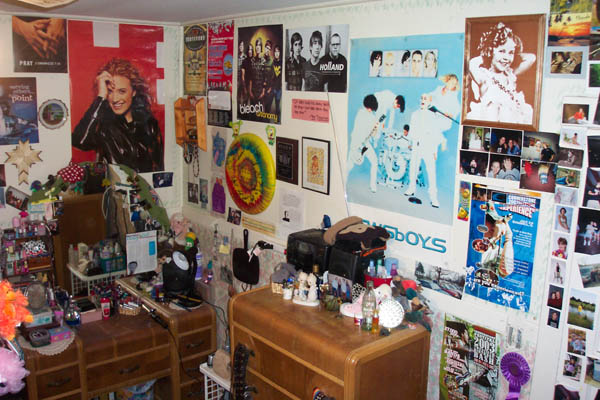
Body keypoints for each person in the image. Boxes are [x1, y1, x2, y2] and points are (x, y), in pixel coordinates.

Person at [72, 58, 163, 172]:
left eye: (122, 91)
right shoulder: (102, 125)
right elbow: (79, 142)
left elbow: (159, 167)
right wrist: (101, 96)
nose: (115, 99)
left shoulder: (149, 124)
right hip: (112, 183)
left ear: (134, 92)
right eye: (110, 91)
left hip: (144, 184)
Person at [467, 22, 535, 124]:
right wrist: (487, 51)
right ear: (491, 51)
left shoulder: (510, 74)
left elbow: (531, 58)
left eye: (510, 53)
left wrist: (515, 53)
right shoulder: (484, 78)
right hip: (492, 121)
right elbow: (472, 63)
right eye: (502, 51)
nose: (506, 57)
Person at [404, 93, 447, 207]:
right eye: (421, 98)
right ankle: (411, 188)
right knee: (413, 168)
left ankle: (433, 197)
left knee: (431, 172)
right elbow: (411, 131)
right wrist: (411, 143)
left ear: (429, 101)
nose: (423, 100)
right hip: (416, 146)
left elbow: (435, 134)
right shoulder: (415, 114)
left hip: (428, 147)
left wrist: (435, 151)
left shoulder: (433, 116)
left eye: (425, 98)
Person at [348, 95, 379, 192]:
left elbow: (372, 134)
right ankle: (341, 180)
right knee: (350, 164)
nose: (370, 109)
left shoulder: (363, 113)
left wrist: (375, 128)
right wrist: (375, 129)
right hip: (358, 143)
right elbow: (369, 133)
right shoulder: (364, 114)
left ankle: (373, 185)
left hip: (363, 143)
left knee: (374, 161)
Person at [248, 38, 266, 108]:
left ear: (261, 48)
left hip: (260, 92)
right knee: (252, 111)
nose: (258, 47)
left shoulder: (263, 61)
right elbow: (250, 77)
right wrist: (250, 91)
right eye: (256, 45)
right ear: (255, 47)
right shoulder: (252, 61)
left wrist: (263, 92)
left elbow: (265, 78)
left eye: (259, 45)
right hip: (253, 91)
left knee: (260, 112)